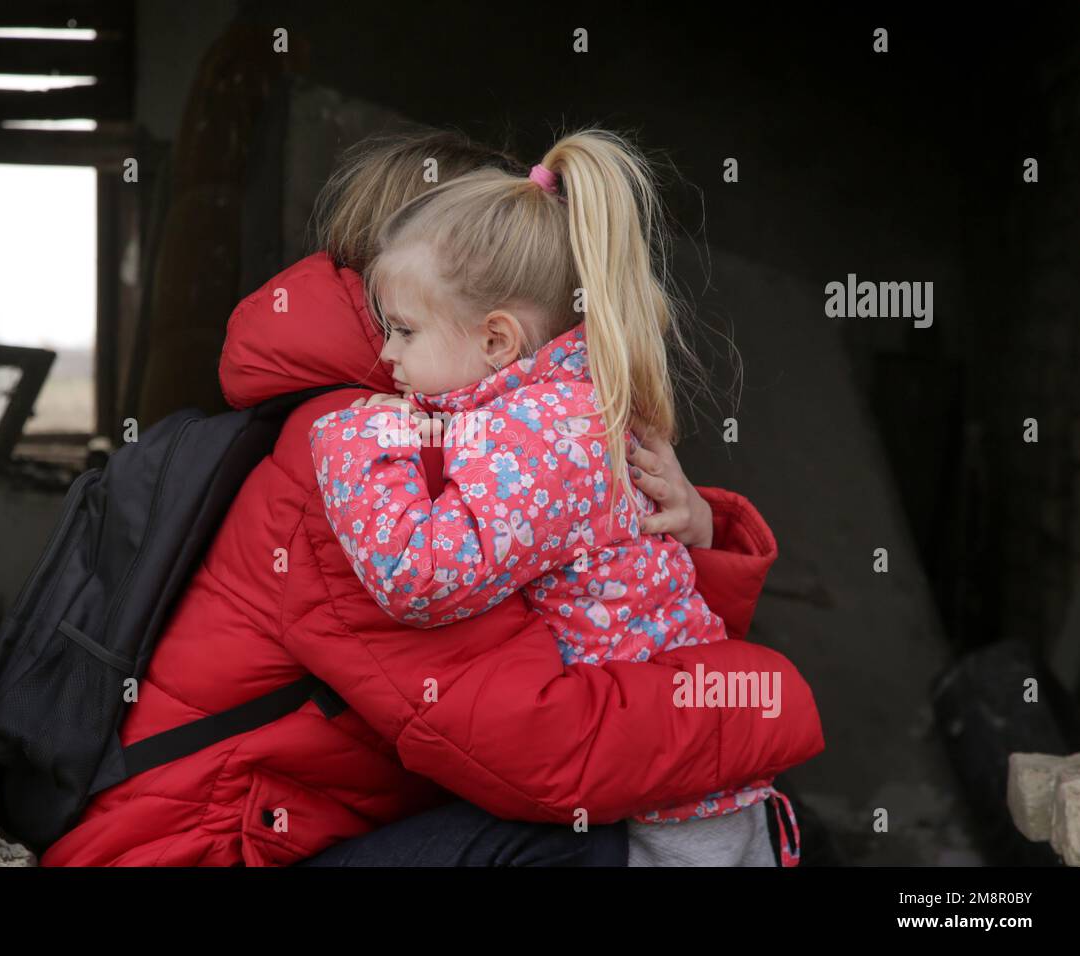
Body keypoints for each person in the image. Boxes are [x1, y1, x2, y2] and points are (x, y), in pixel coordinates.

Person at [38, 128, 823, 867]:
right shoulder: (354, 458)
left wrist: (687, 524)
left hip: (286, 838)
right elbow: (544, 751)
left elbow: (611, 617)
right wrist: (761, 703)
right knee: (584, 848)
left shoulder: (450, 429)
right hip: (199, 852)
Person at [307, 127, 801, 866]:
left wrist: (354, 444)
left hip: (674, 809)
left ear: (499, 340)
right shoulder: (551, 408)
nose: (387, 355)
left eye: (403, 330)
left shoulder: (545, 436)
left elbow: (423, 575)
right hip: (661, 764)